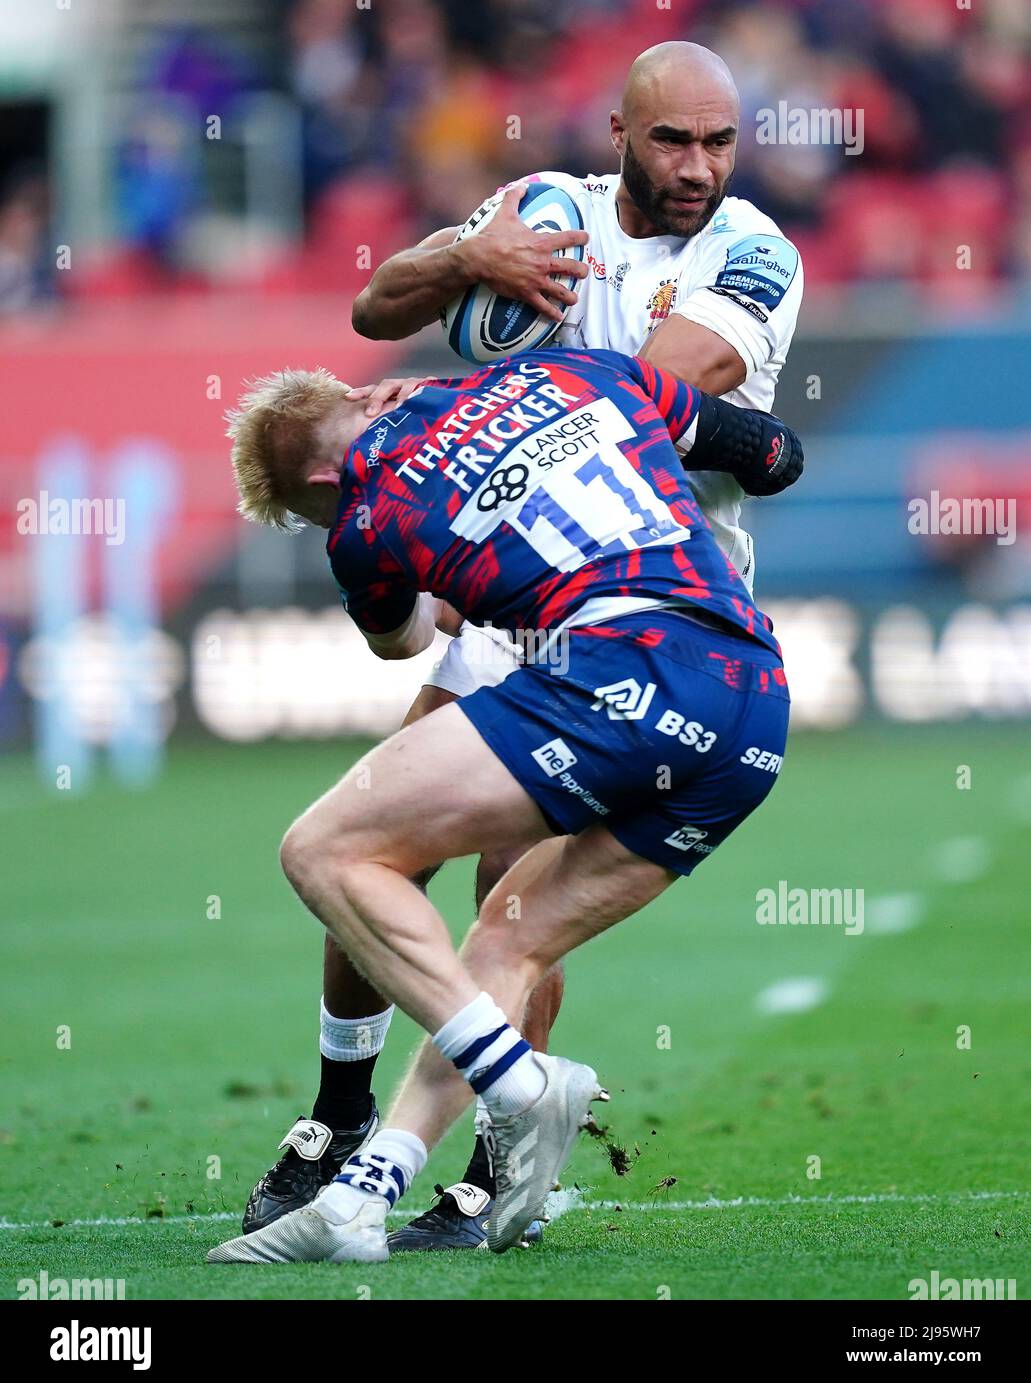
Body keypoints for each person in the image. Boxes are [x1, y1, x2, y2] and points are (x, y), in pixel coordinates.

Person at [245, 39, 805, 1252]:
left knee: (510, 888)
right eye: (671, 141)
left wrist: (495, 404)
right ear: (617, 131)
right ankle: (340, 1115)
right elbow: (371, 307)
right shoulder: (540, 213)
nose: (698, 166)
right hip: (503, 576)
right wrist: (466, 256)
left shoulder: (753, 252)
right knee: (382, 844)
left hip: (640, 587)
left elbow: (646, 392)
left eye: (717, 142)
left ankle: (501, 1164)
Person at [207, 344, 792, 1264]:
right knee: (504, 937)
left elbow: (402, 642)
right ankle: (367, 1193)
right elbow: (769, 453)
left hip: (620, 664)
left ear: (322, 478)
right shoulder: (586, 370)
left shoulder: (362, 519)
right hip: (749, 703)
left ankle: (519, 1088)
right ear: (361, 396)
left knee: (326, 849)